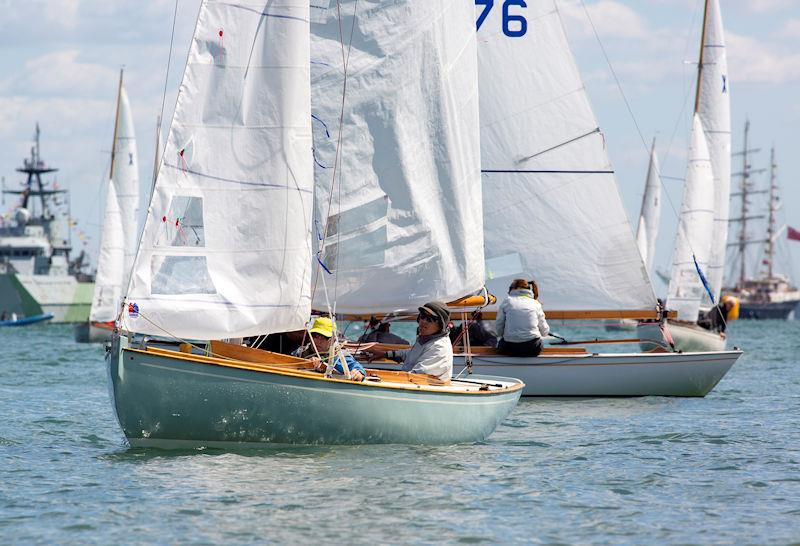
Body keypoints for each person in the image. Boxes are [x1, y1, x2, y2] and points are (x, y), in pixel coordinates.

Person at [367, 301, 453, 381]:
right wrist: (385, 354)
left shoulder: (439, 347)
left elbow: (416, 375)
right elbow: (411, 354)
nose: (423, 321)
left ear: (440, 325)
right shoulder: (427, 340)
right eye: (422, 316)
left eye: (430, 319)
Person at [293, 317, 366, 381]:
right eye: (315, 336)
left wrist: (358, 373)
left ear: (333, 340)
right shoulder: (300, 353)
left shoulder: (338, 356)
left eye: (324, 337)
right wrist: (307, 362)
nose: (318, 341)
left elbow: (356, 367)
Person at [495, 278, 549, 357]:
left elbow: (499, 327)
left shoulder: (507, 301)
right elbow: (544, 332)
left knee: (501, 343)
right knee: (540, 342)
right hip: (532, 348)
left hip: (510, 348)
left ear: (514, 289)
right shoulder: (535, 303)